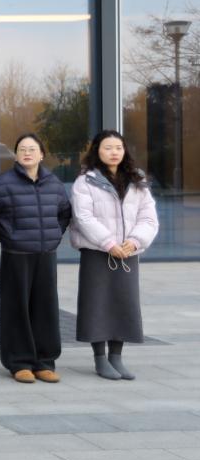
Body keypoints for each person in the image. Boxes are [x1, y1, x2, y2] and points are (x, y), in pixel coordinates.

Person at [0, 133, 72, 384]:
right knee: (16, 309)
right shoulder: (1, 185)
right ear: (16, 155)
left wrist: (54, 236)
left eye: (32, 149)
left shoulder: (54, 184)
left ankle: (45, 362)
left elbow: (65, 213)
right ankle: (19, 362)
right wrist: (0, 237)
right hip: (16, 256)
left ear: (41, 154)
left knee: (46, 309)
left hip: (45, 256)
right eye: (22, 149)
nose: (27, 153)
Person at [70, 130, 158, 381]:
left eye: (118, 147)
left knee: (124, 302)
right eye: (107, 148)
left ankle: (116, 357)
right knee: (96, 304)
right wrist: (108, 243)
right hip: (98, 252)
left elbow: (148, 217)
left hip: (127, 252)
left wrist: (135, 241)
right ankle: (100, 358)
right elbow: (83, 217)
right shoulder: (86, 181)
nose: (114, 152)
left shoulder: (137, 180)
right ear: (97, 151)